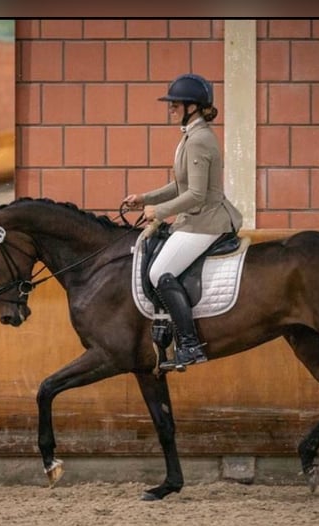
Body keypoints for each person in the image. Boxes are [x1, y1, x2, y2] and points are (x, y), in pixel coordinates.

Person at [123, 73, 243, 372]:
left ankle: (189, 344)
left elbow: (197, 195)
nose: (171, 108)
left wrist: (159, 211)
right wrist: (145, 197)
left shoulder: (199, 140)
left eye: (176, 103)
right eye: (171, 103)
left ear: (193, 106)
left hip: (207, 222)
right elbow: (180, 185)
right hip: (196, 218)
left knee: (160, 271)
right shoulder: (190, 135)